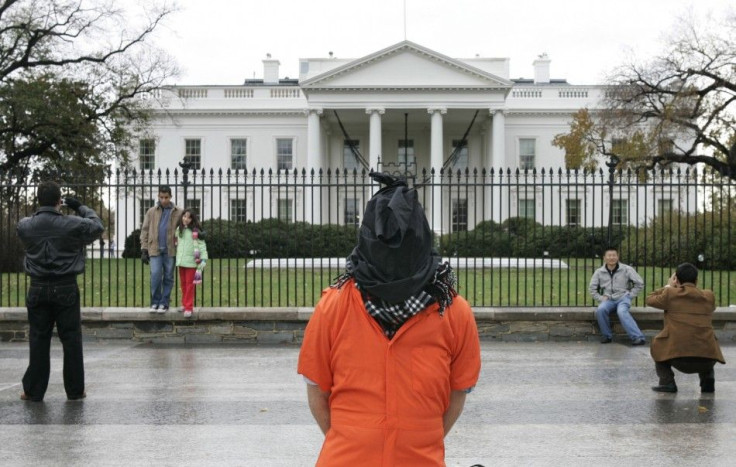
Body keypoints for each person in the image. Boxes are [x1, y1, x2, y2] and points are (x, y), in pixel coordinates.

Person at [297, 172, 481, 466]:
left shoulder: (455, 314)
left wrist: (413, 439)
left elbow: (457, 392)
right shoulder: (333, 306)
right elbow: (316, 390)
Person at [16, 181, 104, 401]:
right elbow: (97, 225)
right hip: (65, 286)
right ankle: (75, 390)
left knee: (38, 339)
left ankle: (33, 390)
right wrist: (79, 206)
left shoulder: (25, 225)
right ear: (59, 201)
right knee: (71, 339)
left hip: (37, 287)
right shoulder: (71, 224)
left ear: (38, 200)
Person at [646, 263, 726, 393]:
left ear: (676, 279)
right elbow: (711, 307)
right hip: (708, 359)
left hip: (678, 358)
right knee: (704, 341)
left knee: (656, 343)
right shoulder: (708, 296)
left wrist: (668, 286)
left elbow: (649, 299)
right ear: (697, 280)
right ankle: (708, 379)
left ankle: (667, 382)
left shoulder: (670, 294)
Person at [589, 247, 646, 345]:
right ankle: (606, 336)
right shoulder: (599, 272)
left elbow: (639, 284)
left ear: (618, 257)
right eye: (609, 255)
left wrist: (630, 295)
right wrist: (600, 298)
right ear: (604, 258)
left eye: (614, 255)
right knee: (601, 310)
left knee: (622, 311)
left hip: (623, 298)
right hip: (608, 299)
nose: (612, 258)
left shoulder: (627, 269)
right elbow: (592, 288)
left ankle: (638, 337)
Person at [140, 185, 182, 313]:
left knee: (168, 277)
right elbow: (145, 230)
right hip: (154, 249)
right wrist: (144, 249)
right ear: (158, 196)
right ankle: (155, 302)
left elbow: (188, 224)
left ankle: (164, 303)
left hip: (171, 250)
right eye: (161, 197)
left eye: (166, 197)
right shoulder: (151, 211)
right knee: (156, 276)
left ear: (171, 196)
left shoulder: (179, 212)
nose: (164, 200)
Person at [174, 209, 208, 318]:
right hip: (181, 262)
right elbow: (177, 242)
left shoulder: (195, 231)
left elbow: (202, 245)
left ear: (192, 219)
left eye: (189, 217)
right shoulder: (179, 229)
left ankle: (189, 307)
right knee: (183, 284)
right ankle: (184, 304)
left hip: (192, 263)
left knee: (189, 285)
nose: (186, 219)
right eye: (184, 216)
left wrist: (203, 259)